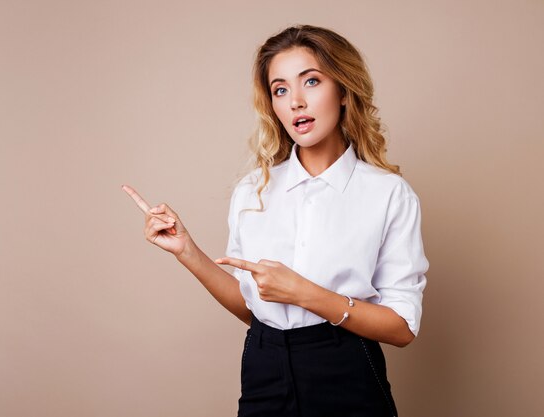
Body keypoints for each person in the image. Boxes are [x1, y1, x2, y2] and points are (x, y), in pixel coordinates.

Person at [123, 24, 428, 417]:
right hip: (264, 366)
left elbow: (402, 328)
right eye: (280, 89)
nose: (296, 101)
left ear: (344, 91)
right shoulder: (253, 190)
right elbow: (253, 307)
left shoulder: (388, 194)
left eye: (312, 81)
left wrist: (305, 293)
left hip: (346, 368)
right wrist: (187, 251)